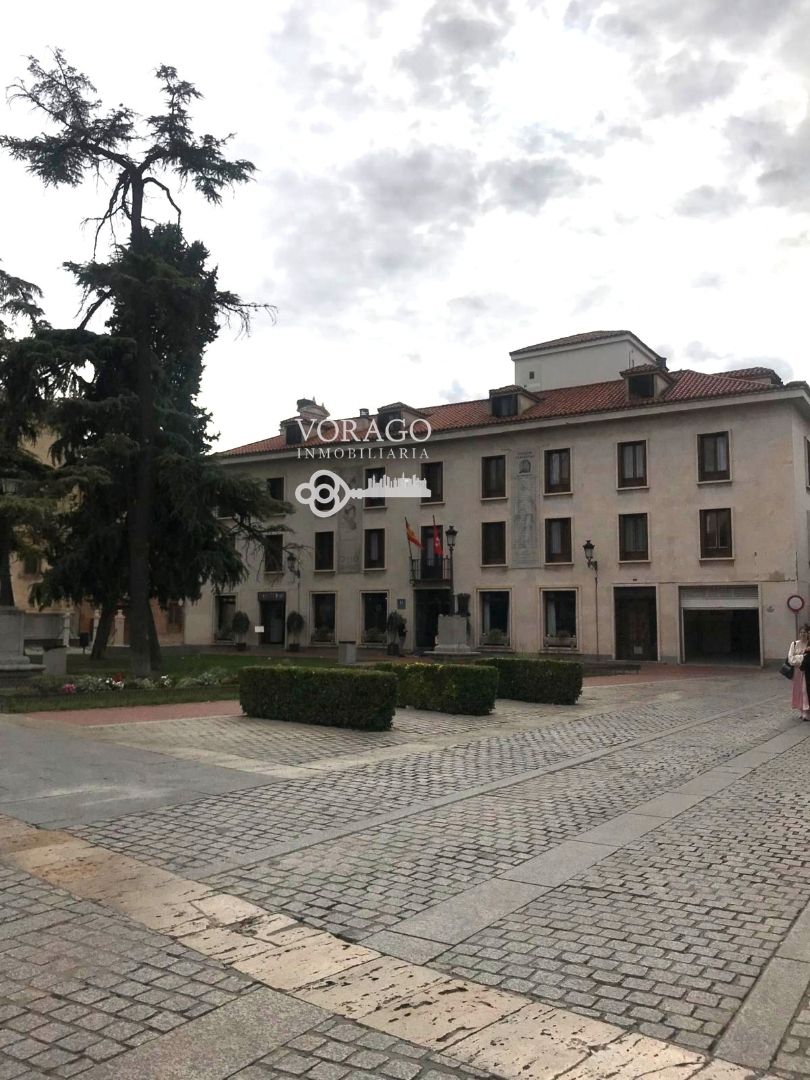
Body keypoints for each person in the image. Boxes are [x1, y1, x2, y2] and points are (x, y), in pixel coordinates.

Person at [788, 624, 810, 720]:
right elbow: (791, 658)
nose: (802, 634)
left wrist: (799, 657)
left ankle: (806, 711)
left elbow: (807, 659)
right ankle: (801, 710)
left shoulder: (809, 644)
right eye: (801, 632)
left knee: (805, 690)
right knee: (798, 691)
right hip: (797, 672)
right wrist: (801, 658)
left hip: (806, 671)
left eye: (804, 632)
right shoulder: (794, 644)